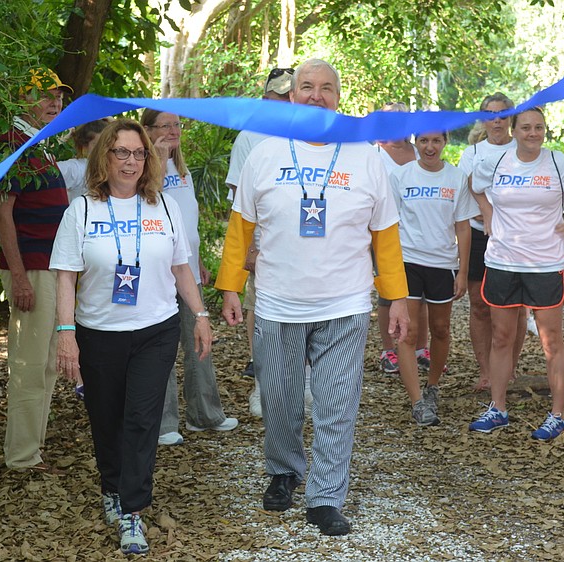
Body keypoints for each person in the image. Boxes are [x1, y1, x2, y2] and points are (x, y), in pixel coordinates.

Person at [216, 59, 409, 536]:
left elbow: (385, 234)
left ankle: (325, 497)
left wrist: (397, 297)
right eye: (307, 87)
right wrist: (229, 287)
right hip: (279, 302)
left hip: (344, 302)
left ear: (339, 97)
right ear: (293, 95)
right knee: (280, 399)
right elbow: (240, 228)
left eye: (327, 87)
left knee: (337, 404)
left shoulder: (365, 155)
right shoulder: (264, 152)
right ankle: (284, 471)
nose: (316, 95)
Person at [50, 118, 213, 555]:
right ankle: (112, 487)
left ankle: (132, 512)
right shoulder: (81, 210)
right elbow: (65, 277)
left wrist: (199, 314)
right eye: (121, 152)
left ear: (148, 160)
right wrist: (66, 334)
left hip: (154, 331)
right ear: (104, 156)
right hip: (98, 333)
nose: (131, 161)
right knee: (107, 419)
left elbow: (182, 267)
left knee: (142, 419)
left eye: (138, 153)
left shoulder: (164, 206)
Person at [468, 107, 564, 440]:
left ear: (544, 130)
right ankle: (498, 408)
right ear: (514, 130)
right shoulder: (496, 162)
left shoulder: (558, 163)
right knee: (502, 338)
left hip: (545, 264)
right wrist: (487, 211)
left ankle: (557, 415)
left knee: (551, 343)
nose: (532, 133)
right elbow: (473, 184)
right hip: (503, 261)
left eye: (538, 127)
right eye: (526, 127)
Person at [140, 108, 237, 446]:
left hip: (188, 270)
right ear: (147, 129)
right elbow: (147, 204)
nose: (173, 130)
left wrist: (197, 262)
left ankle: (205, 414)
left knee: (200, 340)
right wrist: (157, 159)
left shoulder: (183, 170)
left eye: (176, 124)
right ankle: (164, 422)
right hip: (157, 273)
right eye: (164, 125)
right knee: (163, 346)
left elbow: (187, 220)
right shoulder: (140, 167)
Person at [0, 69, 72, 473]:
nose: (53, 102)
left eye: (58, 96)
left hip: (47, 268)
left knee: (45, 364)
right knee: (28, 364)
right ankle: (22, 457)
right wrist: (20, 276)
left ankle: (32, 451)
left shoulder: (37, 144)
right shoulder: (13, 144)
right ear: (23, 98)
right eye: (44, 95)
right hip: (31, 270)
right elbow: (2, 213)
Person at [390, 131, 478, 425]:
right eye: (424, 141)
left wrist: (462, 272)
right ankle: (417, 401)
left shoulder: (455, 177)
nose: (430, 147)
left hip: (442, 264)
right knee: (407, 332)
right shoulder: (401, 176)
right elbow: (387, 223)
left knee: (440, 329)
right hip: (408, 261)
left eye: (436, 141)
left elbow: (463, 227)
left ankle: (432, 388)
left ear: (445, 143)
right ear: (415, 142)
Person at [225, 67, 294, 418]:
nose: (280, 104)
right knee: (261, 310)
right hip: (266, 244)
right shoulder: (249, 137)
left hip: (307, 246)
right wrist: (248, 249)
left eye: (287, 98)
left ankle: (303, 385)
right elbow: (239, 198)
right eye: (275, 98)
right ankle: (263, 385)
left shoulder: (312, 133)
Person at [457, 93, 528, 391]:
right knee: (479, 304)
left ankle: (508, 368)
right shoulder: (471, 154)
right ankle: (486, 371)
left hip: (517, 236)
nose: (496, 120)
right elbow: (465, 196)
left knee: (518, 305)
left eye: (502, 114)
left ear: (511, 117)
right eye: (490, 114)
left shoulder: (524, 148)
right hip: (479, 236)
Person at [374, 102, 431, 375]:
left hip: (418, 230)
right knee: (388, 291)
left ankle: (420, 347)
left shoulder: (418, 150)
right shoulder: (373, 152)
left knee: (420, 292)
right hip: (384, 230)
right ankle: (388, 350)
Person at [58, 118, 111, 201]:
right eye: (98, 145)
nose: (104, 149)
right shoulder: (77, 168)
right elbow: (43, 171)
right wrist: (59, 141)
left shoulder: (118, 167)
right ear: (85, 146)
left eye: (108, 144)